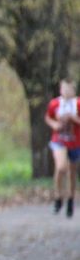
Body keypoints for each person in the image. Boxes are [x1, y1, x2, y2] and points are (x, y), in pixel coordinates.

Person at [44, 79, 80, 218]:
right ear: (60, 90)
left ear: (74, 91)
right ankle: (58, 196)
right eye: (64, 89)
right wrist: (54, 124)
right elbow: (48, 117)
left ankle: (70, 198)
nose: (66, 92)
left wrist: (74, 118)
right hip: (59, 140)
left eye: (69, 89)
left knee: (72, 172)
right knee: (61, 167)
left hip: (75, 142)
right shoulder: (55, 104)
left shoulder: (77, 104)